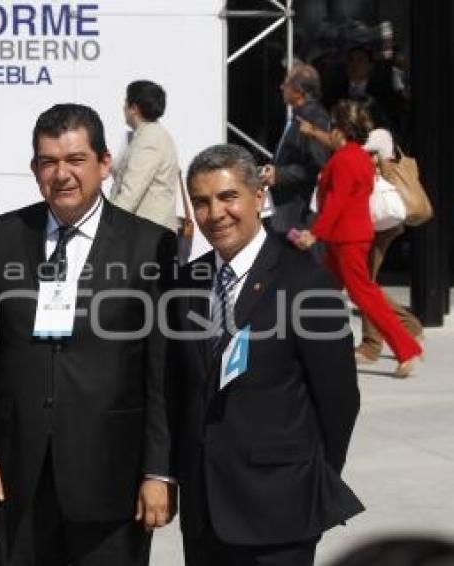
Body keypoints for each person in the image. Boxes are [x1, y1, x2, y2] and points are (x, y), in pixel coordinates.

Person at [0, 103, 177, 565]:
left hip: (112, 477)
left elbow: (160, 372)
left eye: (76, 160)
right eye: (48, 162)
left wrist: (159, 472)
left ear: (105, 163)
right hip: (20, 476)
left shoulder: (149, 245)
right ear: (34, 169)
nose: (61, 174)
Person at [167, 144, 364, 566]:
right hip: (205, 511)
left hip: (280, 510)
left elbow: (339, 401)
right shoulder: (185, 284)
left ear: (259, 197)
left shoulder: (307, 283)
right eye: (201, 202)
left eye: (228, 197)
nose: (215, 213)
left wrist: (309, 478)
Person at [294, 100, 422, 377]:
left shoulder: (344, 159)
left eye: (332, 127)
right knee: (326, 292)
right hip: (347, 237)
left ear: (340, 130)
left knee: (362, 295)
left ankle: (406, 348)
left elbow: (337, 201)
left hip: (346, 238)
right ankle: (305, 347)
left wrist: (314, 233)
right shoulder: (358, 156)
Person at [259, 63, 330, 236]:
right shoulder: (298, 115)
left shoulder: (314, 118)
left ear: (298, 91)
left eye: (286, 84)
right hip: (283, 207)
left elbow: (315, 166)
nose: (281, 87)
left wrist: (279, 175)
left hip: (297, 211)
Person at [110, 80, 185, 234]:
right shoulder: (148, 134)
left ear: (134, 108)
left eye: (125, 102)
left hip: (147, 234)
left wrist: (108, 226)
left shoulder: (149, 138)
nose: (123, 108)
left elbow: (131, 192)